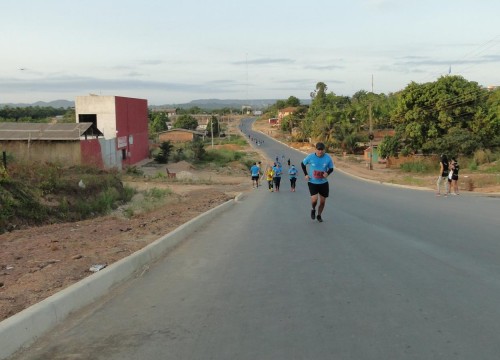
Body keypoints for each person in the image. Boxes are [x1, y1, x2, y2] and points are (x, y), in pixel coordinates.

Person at [301, 142, 334, 222]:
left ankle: (319, 215)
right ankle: (313, 209)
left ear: (324, 150)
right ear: (315, 149)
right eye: (319, 150)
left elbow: (331, 168)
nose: (320, 151)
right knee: (314, 200)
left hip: (323, 183)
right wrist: (306, 174)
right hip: (312, 182)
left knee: (322, 202)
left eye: (322, 150)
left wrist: (327, 173)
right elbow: (302, 164)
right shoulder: (311, 157)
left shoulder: (328, 158)